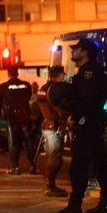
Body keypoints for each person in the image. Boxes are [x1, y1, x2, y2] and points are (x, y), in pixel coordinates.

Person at [51, 38, 107, 213]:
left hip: (87, 122)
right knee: (100, 163)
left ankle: (75, 206)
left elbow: (87, 100)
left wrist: (74, 116)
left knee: (79, 165)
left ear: (85, 52)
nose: (73, 52)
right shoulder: (90, 72)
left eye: (76, 49)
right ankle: (105, 205)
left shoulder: (89, 73)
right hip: (93, 122)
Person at [35, 65, 69, 197]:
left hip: (48, 126)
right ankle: (49, 186)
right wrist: (62, 121)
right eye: (63, 75)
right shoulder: (55, 89)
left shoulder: (43, 89)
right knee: (55, 157)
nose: (64, 77)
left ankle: (49, 185)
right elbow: (56, 110)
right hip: (53, 127)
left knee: (53, 157)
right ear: (60, 75)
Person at [0, 67, 37, 175]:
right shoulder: (26, 85)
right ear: (17, 73)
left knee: (14, 142)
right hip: (25, 116)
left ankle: (15, 167)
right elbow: (28, 97)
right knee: (29, 141)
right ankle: (33, 166)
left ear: (8, 74)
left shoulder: (3, 86)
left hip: (12, 118)